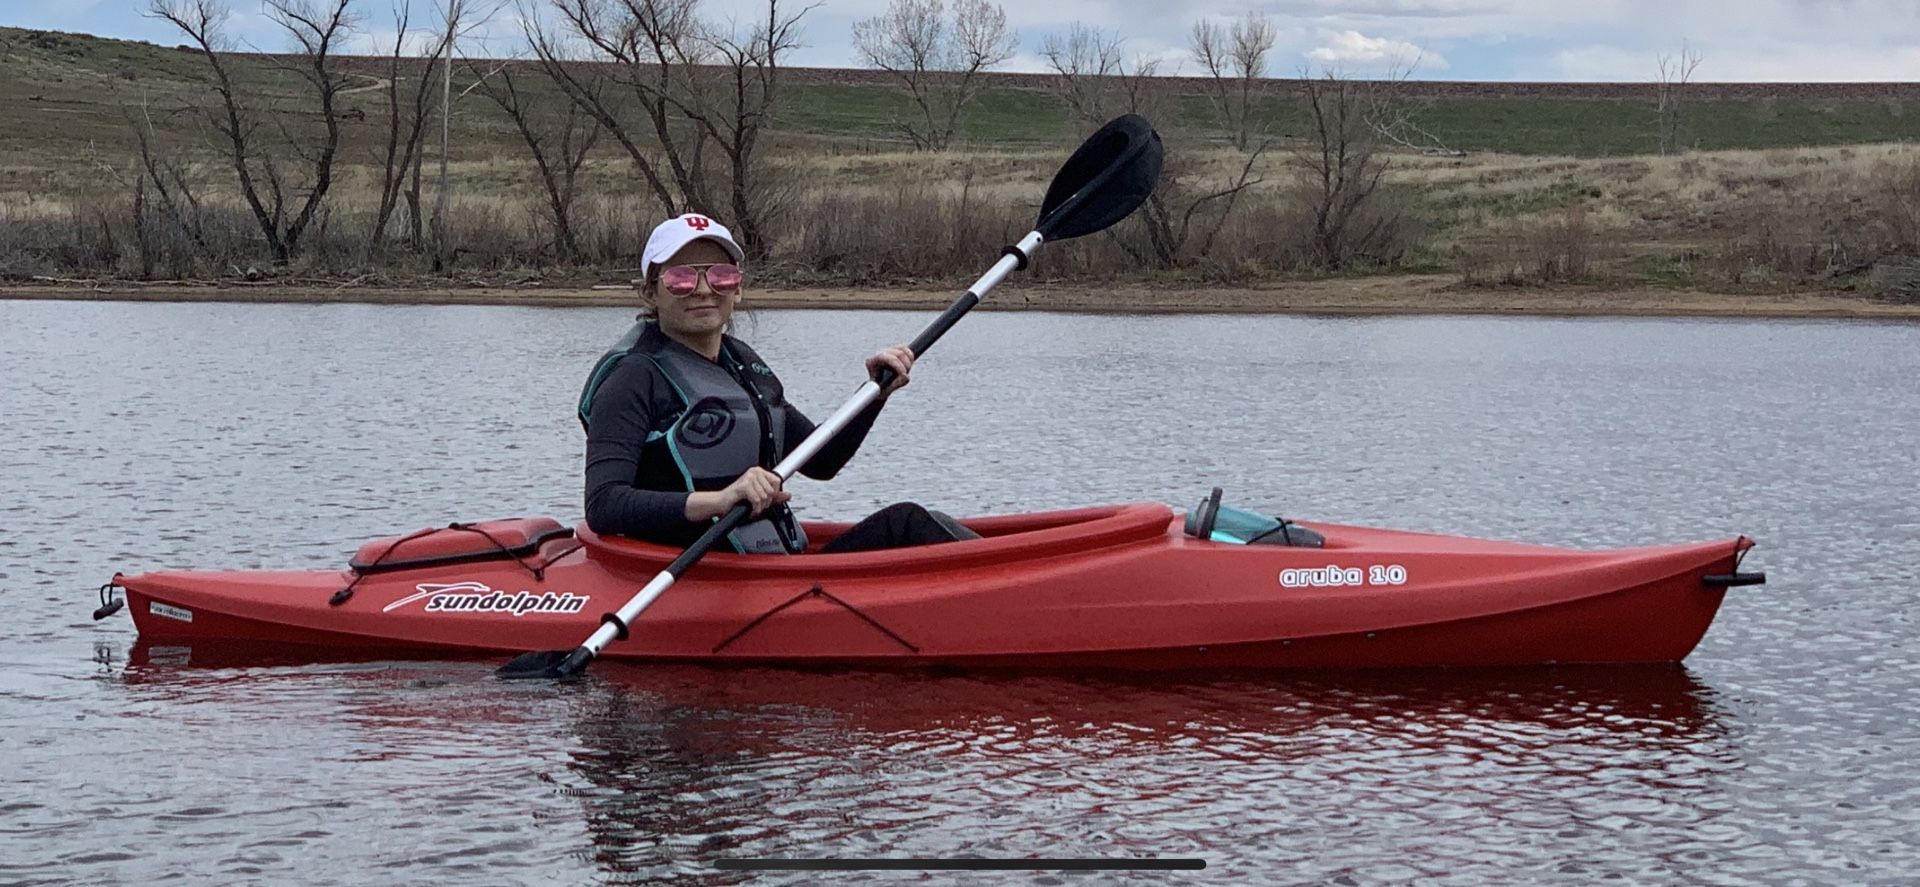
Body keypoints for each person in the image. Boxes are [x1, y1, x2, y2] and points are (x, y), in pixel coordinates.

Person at [580, 212, 980, 555]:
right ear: (651, 292)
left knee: (913, 524)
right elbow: (604, 504)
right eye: (681, 278)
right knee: (909, 523)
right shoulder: (632, 377)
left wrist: (874, 392)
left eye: (720, 276)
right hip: (695, 576)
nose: (704, 290)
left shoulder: (743, 364)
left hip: (768, 567)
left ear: (737, 288)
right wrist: (719, 500)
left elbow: (822, 461)